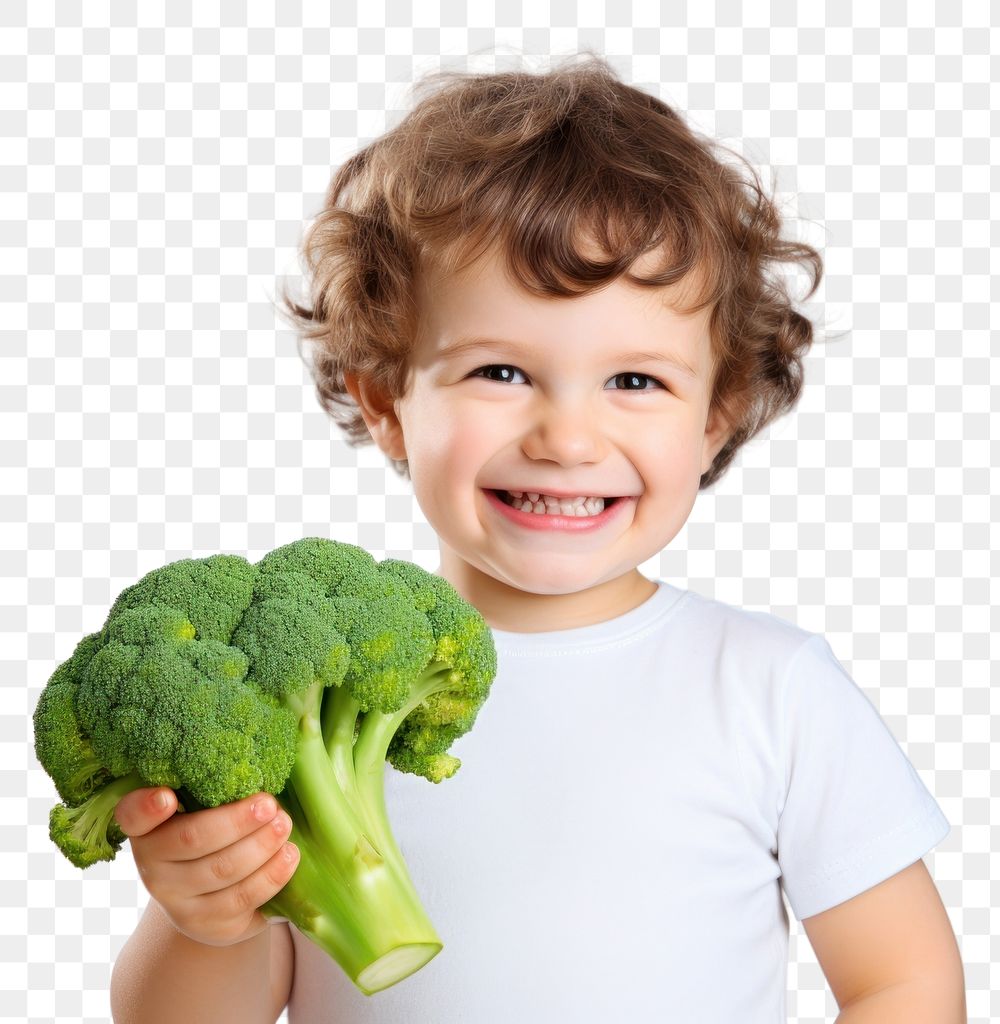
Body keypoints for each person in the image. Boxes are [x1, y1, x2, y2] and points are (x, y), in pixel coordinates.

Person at [108, 54, 966, 1022]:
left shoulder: (772, 690)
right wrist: (201, 921)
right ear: (386, 400)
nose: (565, 437)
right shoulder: (298, 709)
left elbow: (903, 980)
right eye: (501, 372)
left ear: (716, 413)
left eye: (634, 382)